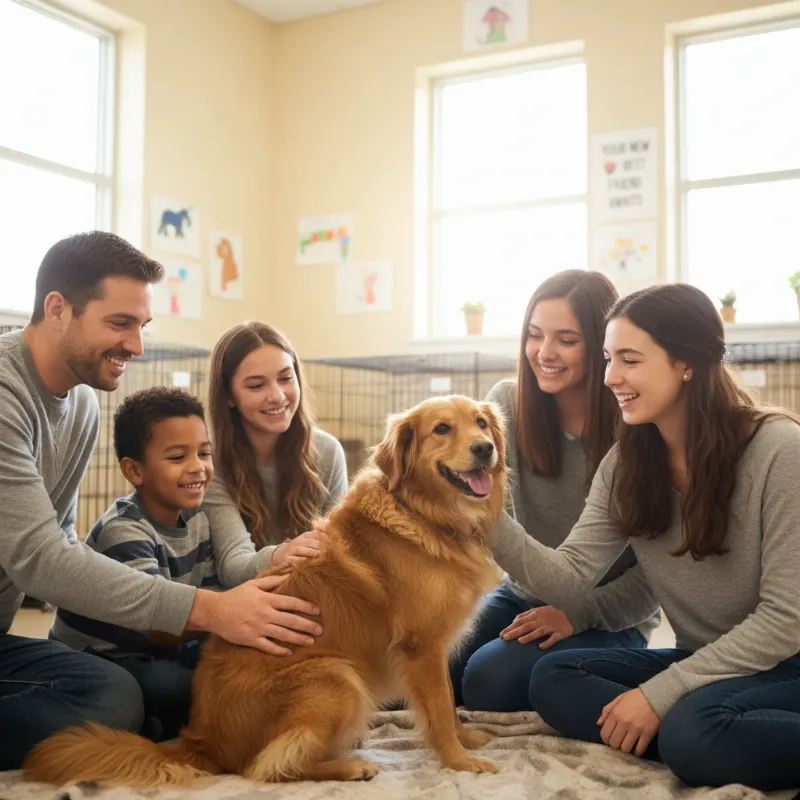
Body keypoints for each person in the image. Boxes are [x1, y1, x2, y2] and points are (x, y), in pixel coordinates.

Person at [0, 232, 321, 770]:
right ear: (57, 308)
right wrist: (215, 611)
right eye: (120, 323)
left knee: (113, 698)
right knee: (118, 701)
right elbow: (39, 559)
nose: (137, 346)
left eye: (141, 326)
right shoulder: (8, 393)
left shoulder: (80, 405)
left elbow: (62, 542)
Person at [491, 283, 800, 791]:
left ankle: (694, 736)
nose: (610, 377)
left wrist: (660, 696)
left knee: (691, 728)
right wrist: (478, 512)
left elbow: (784, 622)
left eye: (629, 360)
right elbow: (568, 580)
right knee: (552, 678)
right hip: (707, 662)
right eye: (610, 358)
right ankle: (698, 737)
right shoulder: (629, 461)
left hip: (786, 662)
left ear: (687, 363)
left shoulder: (777, 449)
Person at [450, 270, 659, 711]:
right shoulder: (505, 405)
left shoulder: (637, 428)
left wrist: (577, 614)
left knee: (488, 681)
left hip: (612, 612)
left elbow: (656, 575)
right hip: (522, 593)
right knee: (428, 667)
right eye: (535, 335)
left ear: (603, 347)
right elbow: (492, 528)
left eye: (566, 339)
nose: (544, 353)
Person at [52, 387, 221, 741]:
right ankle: (152, 724)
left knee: (221, 670)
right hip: (104, 655)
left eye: (204, 453)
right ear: (135, 470)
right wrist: (228, 614)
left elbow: (210, 590)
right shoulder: (124, 530)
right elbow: (158, 623)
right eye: (177, 457)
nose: (198, 467)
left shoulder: (199, 519)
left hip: (163, 646)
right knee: (175, 686)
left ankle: (163, 720)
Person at [202, 322, 347, 575]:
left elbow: (342, 548)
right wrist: (282, 554)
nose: (278, 396)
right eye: (257, 386)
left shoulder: (328, 451)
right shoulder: (210, 461)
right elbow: (233, 564)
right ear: (228, 396)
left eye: (286, 378)